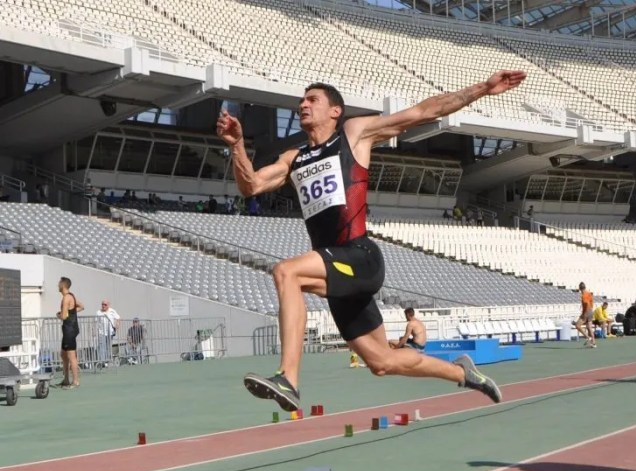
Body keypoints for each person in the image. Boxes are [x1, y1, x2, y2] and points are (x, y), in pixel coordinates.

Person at [217, 70, 527, 411]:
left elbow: (423, 112)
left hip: (359, 256)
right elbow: (252, 186)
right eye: (301, 101)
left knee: (286, 272)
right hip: (335, 267)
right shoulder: (295, 158)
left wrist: (482, 87)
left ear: (335, 111)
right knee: (382, 362)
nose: (302, 105)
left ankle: (288, 378)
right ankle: (463, 373)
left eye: (312, 100)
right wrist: (237, 146)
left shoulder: (354, 134)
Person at [57, 277, 84, 388]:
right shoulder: (71, 296)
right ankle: (66, 379)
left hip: (70, 330)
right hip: (68, 329)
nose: (57, 285)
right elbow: (81, 307)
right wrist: (71, 312)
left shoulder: (66, 298)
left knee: (71, 356)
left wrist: (58, 315)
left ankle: (76, 381)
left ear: (63, 285)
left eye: (58, 283)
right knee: (63, 355)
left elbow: (63, 316)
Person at [96, 299, 120, 367]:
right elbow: (95, 322)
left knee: (108, 347)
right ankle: (103, 362)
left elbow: (118, 318)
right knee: (102, 347)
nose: (103, 306)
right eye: (102, 304)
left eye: (105, 304)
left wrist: (117, 325)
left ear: (108, 305)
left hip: (110, 332)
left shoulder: (112, 311)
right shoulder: (98, 312)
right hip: (101, 332)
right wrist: (94, 331)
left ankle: (107, 360)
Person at [575, 281, 596, 347]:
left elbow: (586, 304)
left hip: (586, 312)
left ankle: (587, 337)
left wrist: (584, 314)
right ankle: (594, 343)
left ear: (580, 289)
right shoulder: (589, 293)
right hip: (591, 311)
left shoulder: (583, 295)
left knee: (577, 325)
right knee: (589, 327)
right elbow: (591, 302)